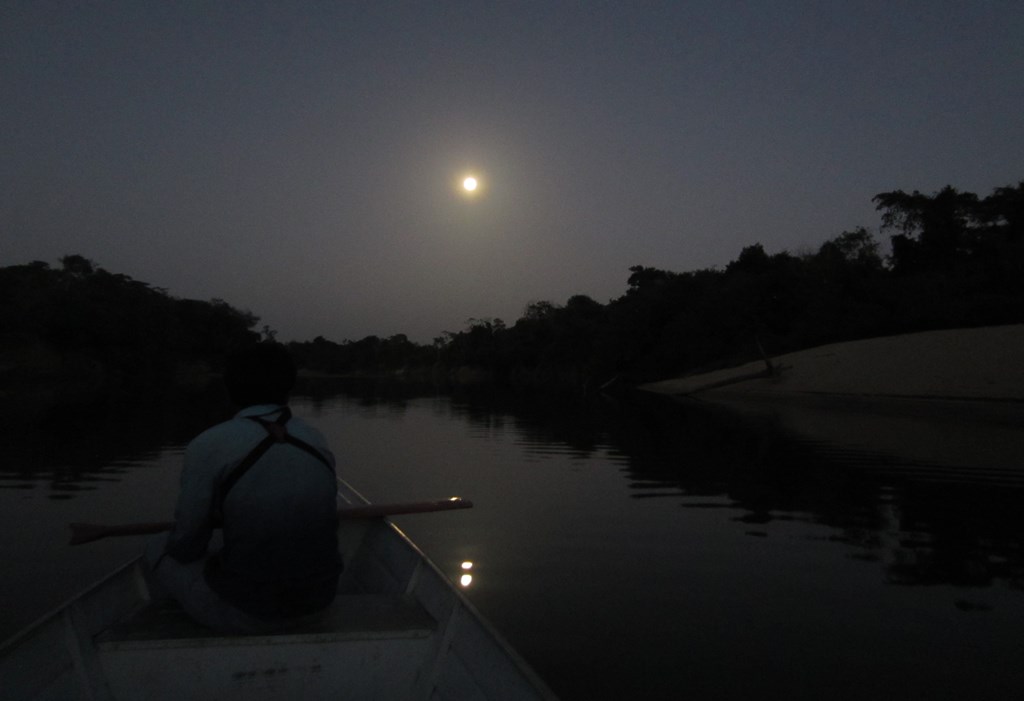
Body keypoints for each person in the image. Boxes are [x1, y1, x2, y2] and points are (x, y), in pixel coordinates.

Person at [144, 343, 342, 633]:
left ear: (229, 388)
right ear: (289, 387)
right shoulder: (316, 440)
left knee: (158, 547)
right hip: (320, 604)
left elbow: (186, 546)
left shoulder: (208, 444)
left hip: (247, 613)